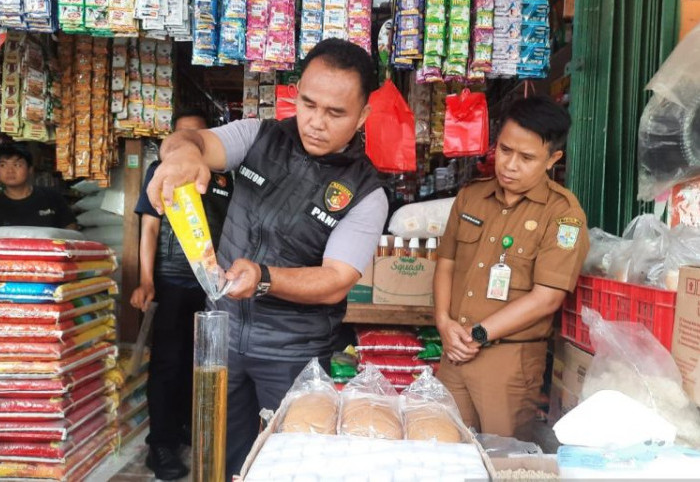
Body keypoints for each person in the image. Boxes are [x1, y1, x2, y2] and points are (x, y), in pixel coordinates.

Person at [146, 39, 388, 479]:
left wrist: (263, 278)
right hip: (223, 336)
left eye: (336, 113)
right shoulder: (258, 136)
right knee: (219, 459)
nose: (316, 123)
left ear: (363, 116)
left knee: (290, 465)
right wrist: (182, 156)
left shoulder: (366, 191)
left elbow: (336, 279)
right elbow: (193, 139)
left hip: (294, 352)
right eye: (308, 104)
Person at [433, 96, 590, 440]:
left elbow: (546, 298)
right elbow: (446, 263)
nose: (510, 165)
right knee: (445, 454)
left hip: (508, 363)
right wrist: (443, 322)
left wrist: (478, 334)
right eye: (505, 150)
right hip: (454, 352)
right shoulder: (471, 197)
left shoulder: (563, 215)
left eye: (527, 158)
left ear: (553, 160)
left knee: (503, 461)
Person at [130, 108, 233, 480]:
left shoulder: (223, 174)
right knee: (168, 363)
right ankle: (161, 444)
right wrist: (146, 280)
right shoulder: (159, 173)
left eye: (196, 135)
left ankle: (188, 427)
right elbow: (150, 229)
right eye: (179, 135)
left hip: (214, 284)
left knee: (205, 362)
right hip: (173, 279)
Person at [0, 145, 77, 229]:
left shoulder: (52, 196)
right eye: (2, 165)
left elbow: (70, 226)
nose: (10, 171)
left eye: (17, 165)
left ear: (30, 170)